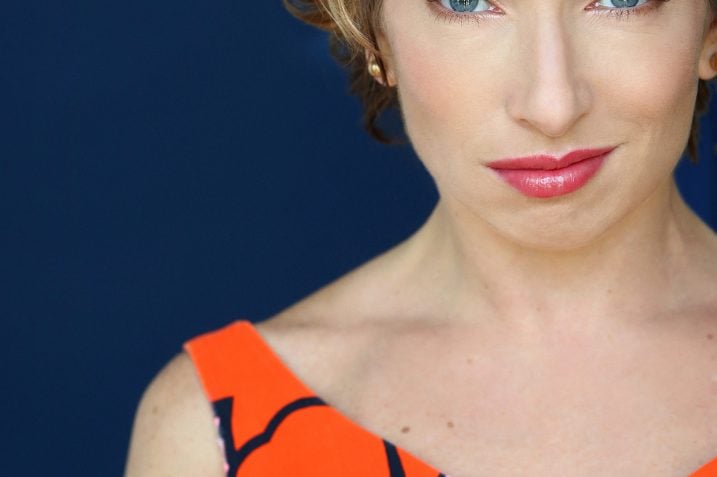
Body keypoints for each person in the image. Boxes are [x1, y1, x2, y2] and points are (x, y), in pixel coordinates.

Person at [124, 0, 717, 475]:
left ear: (710, 30)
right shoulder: (208, 433)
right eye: (467, 3)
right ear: (375, 37)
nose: (552, 106)